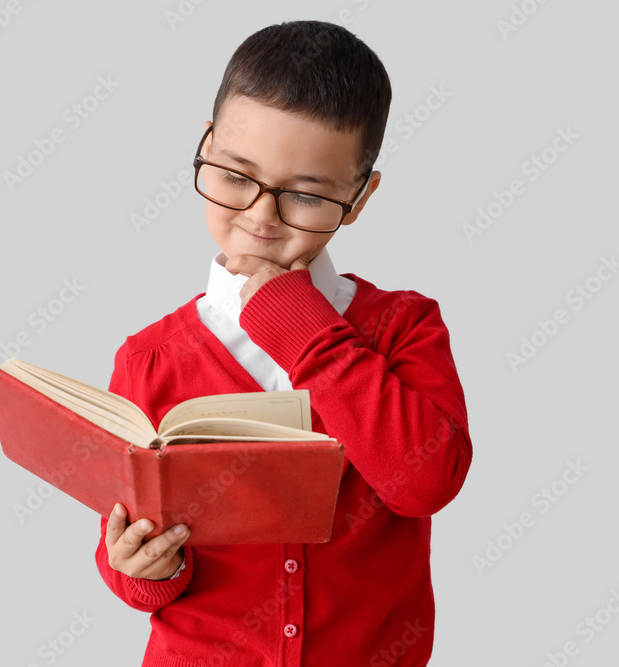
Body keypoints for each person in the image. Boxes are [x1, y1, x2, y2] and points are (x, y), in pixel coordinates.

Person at [94, 20, 472, 666]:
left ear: (357, 197)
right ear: (205, 147)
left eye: (304, 194)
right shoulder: (148, 357)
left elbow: (427, 480)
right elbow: (132, 548)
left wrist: (301, 325)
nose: (261, 217)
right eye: (236, 176)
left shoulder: (405, 327)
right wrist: (139, 568)